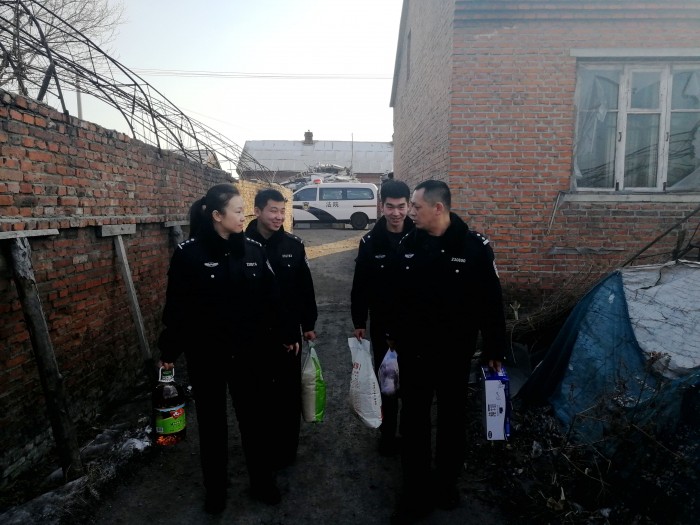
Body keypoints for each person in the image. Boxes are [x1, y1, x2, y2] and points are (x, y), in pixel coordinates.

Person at [158, 183, 299, 514]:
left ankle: (262, 482)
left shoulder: (252, 250)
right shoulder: (189, 254)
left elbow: (272, 297)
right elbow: (177, 308)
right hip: (206, 355)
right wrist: (169, 350)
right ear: (217, 216)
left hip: (249, 352)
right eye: (237, 211)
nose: (243, 216)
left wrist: (285, 331)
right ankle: (216, 490)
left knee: (255, 419)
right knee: (212, 424)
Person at [388, 180, 507, 523]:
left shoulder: (474, 247)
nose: (410, 212)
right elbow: (395, 295)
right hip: (414, 352)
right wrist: (392, 332)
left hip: (455, 352)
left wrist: (494, 346)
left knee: (452, 419)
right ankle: (415, 489)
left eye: (416, 206)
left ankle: (446, 483)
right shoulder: (409, 245)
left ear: (438, 208)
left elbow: (491, 300)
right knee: (414, 420)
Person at [245, 188, 318, 467]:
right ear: (258, 211)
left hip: (289, 335)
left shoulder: (293, 245)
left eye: (282, 211)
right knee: (259, 394)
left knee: (288, 394)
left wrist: (308, 324)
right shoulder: (240, 245)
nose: (279, 217)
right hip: (253, 335)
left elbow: (305, 288)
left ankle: (287, 450)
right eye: (273, 211)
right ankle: (262, 449)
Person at [350, 179, 414, 456]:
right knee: (386, 383)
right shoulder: (370, 242)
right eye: (390, 206)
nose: (396, 213)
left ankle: (410, 435)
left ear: (409, 206)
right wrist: (359, 321)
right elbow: (360, 285)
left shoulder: (419, 237)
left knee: (412, 383)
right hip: (382, 325)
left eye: (401, 206)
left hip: (414, 326)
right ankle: (387, 436)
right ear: (381, 206)